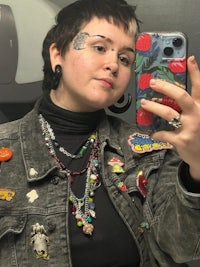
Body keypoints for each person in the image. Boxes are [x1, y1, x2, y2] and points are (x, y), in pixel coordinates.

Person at [0, 0, 200, 266]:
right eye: (99, 47)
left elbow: (182, 247)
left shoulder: (149, 150)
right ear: (57, 53)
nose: (114, 65)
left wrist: (197, 167)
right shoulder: (5, 148)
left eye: (125, 58)